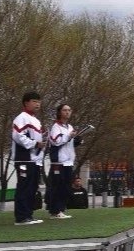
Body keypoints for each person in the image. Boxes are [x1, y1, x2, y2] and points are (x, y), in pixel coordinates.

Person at [11, 91, 46, 225]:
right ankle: (21, 217)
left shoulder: (36, 120)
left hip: (34, 159)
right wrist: (35, 143)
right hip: (24, 158)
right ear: (26, 103)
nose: (38, 104)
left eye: (39, 102)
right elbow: (18, 136)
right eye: (34, 101)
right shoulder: (22, 118)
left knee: (31, 187)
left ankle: (28, 215)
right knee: (24, 187)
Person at [45, 103, 82, 220]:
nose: (68, 112)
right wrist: (68, 136)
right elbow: (55, 141)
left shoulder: (69, 126)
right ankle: (55, 210)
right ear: (60, 112)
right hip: (59, 162)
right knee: (58, 186)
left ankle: (60, 209)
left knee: (65, 186)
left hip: (69, 161)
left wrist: (77, 140)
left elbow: (70, 143)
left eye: (69, 110)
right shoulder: (56, 126)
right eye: (65, 110)